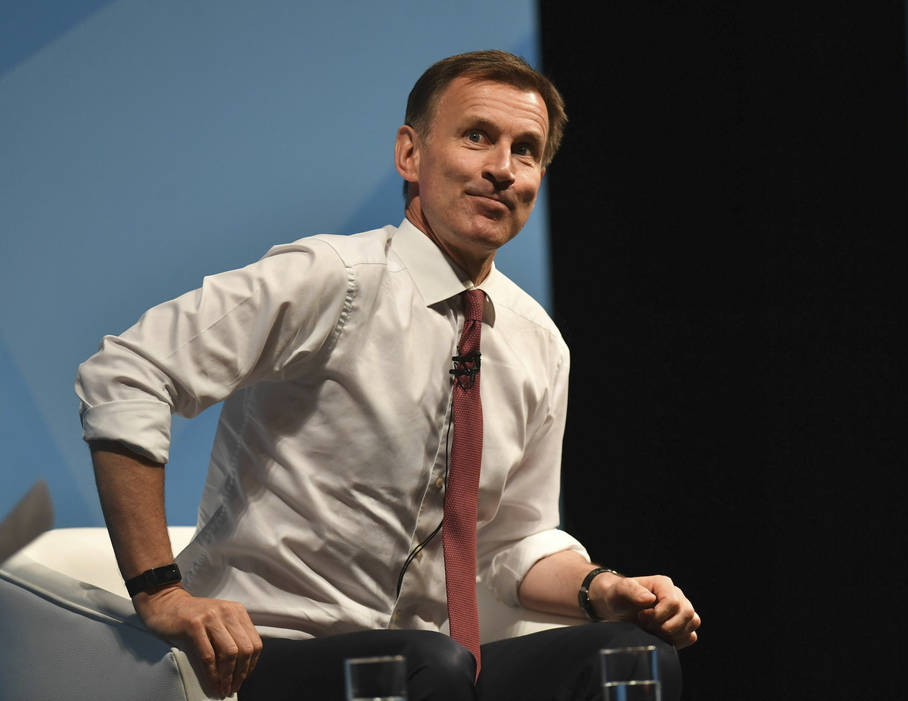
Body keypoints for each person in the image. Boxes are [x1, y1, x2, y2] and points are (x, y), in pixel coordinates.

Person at [76, 50, 700, 700]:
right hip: (266, 654)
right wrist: (162, 591)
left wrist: (602, 588)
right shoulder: (332, 280)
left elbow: (515, 538)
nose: (500, 169)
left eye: (526, 150)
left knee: (630, 655)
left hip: (433, 666)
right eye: (477, 136)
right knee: (433, 665)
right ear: (410, 155)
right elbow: (127, 371)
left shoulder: (538, 342)